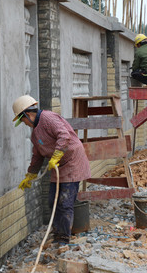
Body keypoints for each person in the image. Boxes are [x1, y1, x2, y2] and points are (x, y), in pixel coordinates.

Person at [12, 95, 91, 245]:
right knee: (52, 200)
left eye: (22, 120)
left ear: (28, 115)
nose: (24, 124)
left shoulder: (48, 118)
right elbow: (37, 155)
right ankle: (57, 233)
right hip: (58, 165)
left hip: (72, 161)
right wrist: (30, 174)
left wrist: (57, 154)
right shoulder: (35, 133)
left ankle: (63, 239)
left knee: (65, 201)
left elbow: (64, 135)